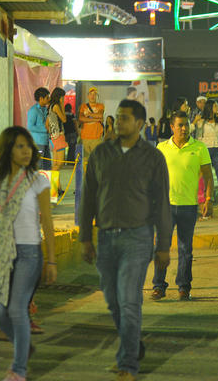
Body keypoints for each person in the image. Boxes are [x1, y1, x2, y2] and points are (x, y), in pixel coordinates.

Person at [79, 99, 172, 380]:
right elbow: (88, 196)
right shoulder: (101, 153)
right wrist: (85, 238)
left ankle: (128, 364)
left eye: (125, 118)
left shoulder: (153, 158)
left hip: (137, 238)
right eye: (117, 117)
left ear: (140, 123)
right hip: (106, 238)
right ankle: (133, 345)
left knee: (130, 300)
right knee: (113, 301)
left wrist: (163, 246)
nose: (118, 122)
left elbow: (162, 203)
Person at [0, 126, 57, 381]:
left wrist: (52, 260)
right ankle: (23, 347)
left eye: (28, 146)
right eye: (19, 146)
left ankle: (18, 370)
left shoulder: (38, 181)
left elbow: (47, 222)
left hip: (29, 253)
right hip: (2, 253)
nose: (26, 151)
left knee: (16, 309)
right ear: (7, 150)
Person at [152, 110, 214, 301]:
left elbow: (208, 174)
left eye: (186, 125)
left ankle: (184, 287)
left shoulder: (199, 147)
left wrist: (208, 199)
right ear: (172, 127)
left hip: (189, 206)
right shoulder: (161, 147)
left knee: (185, 249)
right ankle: (159, 286)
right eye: (180, 125)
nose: (184, 128)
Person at [195, 100, 218, 206]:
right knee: (205, 175)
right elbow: (198, 137)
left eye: (217, 106)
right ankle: (207, 198)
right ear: (210, 107)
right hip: (205, 150)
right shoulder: (201, 122)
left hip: (217, 149)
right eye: (215, 106)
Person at [78, 86, 105, 167]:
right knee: (85, 161)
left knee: (97, 161)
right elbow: (81, 118)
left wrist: (89, 114)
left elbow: (100, 115)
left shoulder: (100, 106)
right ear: (88, 96)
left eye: (94, 94)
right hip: (85, 137)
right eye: (91, 94)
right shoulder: (83, 106)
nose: (92, 96)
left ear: (97, 96)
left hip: (96, 137)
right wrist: (97, 119)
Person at [26, 87, 50, 170]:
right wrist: (45, 129)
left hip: (46, 142)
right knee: (38, 165)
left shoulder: (46, 109)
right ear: (41, 98)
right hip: (37, 143)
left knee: (47, 165)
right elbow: (30, 127)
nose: (49, 99)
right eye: (47, 97)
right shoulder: (33, 110)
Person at [46, 87, 67, 172]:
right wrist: (62, 105)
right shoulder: (56, 106)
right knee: (60, 163)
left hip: (52, 137)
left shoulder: (50, 107)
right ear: (59, 97)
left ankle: (55, 180)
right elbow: (64, 119)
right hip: (59, 136)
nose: (63, 99)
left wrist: (51, 133)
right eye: (63, 97)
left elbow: (46, 124)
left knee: (55, 163)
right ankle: (52, 179)